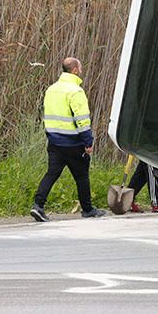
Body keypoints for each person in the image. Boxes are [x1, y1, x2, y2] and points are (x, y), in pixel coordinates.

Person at [31, 57, 106, 221]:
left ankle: (38, 205)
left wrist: (50, 135)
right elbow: (82, 119)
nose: (81, 70)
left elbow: (48, 115)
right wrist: (88, 142)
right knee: (82, 176)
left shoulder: (51, 89)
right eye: (80, 67)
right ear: (74, 70)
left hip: (54, 141)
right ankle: (87, 209)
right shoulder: (76, 91)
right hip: (73, 142)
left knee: (51, 174)